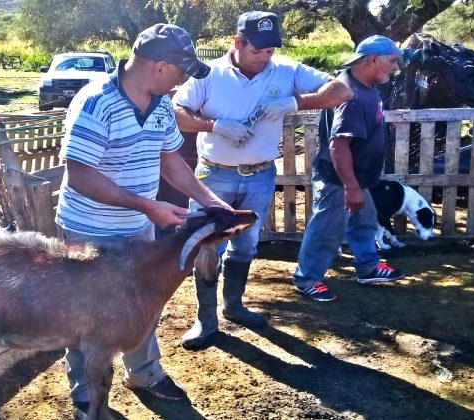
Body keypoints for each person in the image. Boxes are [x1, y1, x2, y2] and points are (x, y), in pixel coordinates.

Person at [55, 23, 230, 417]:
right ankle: (85, 395)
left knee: (144, 303)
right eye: (182, 71)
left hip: (137, 228)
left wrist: (211, 201)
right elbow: (80, 174)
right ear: (160, 66)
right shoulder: (96, 102)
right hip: (90, 230)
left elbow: (171, 162)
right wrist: (146, 205)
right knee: (86, 315)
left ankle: (145, 373)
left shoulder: (163, 106)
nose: (183, 79)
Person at [172, 11, 352, 349]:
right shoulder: (209, 75)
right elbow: (177, 113)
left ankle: (235, 306)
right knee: (208, 244)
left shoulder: (287, 71)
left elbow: (341, 90)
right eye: (257, 51)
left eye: (270, 50)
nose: (265, 57)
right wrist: (215, 125)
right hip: (213, 174)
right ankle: (206, 320)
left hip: (259, 175)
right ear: (238, 42)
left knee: (247, 243)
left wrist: (295, 101)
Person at [292, 35, 406, 302]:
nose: (396, 67)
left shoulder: (363, 85)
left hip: (355, 177)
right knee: (326, 229)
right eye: (392, 61)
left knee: (364, 220)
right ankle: (306, 279)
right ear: (372, 60)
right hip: (339, 180)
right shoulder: (352, 97)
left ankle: (367, 267)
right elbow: (339, 146)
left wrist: (358, 184)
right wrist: (351, 187)